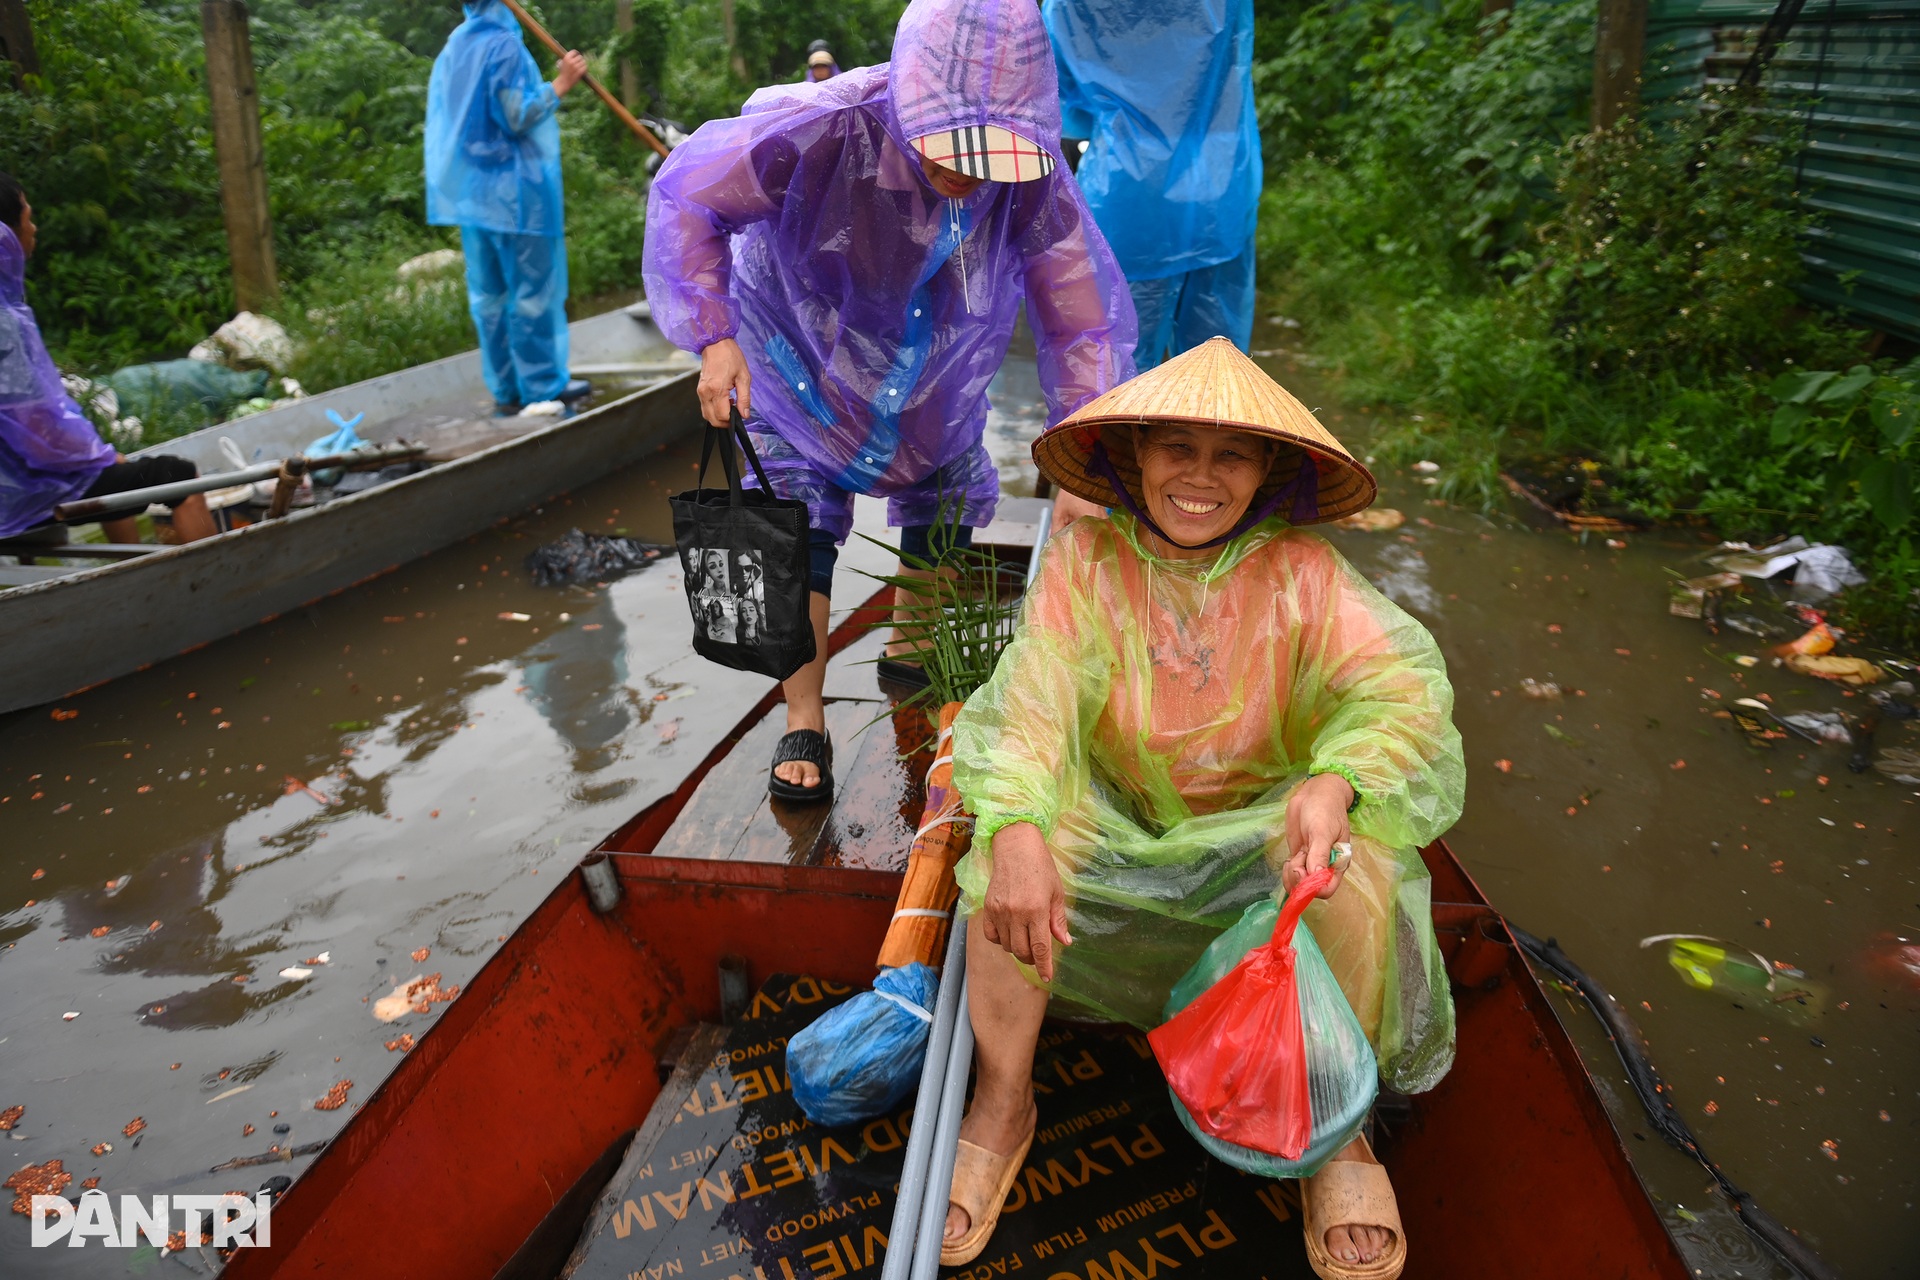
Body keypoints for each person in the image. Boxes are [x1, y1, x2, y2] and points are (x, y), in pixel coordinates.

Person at [941, 339, 1463, 1279]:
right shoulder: (1084, 562)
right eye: (1175, 447)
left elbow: (1399, 691)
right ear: (1134, 455)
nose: (1200, 477)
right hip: (1119, 814)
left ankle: (1337, 1135)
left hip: (1263, 824)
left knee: (1358, 867)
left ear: (1267, 472)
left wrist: (1331, 779)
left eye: (1231, 455)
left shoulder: (1305, 571)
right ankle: (1003, 1099)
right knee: (1004, 855)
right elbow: (1031, 709)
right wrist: (1017, 824)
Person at [645, 0, 1136, 804]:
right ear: (911, 97)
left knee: (940, 504)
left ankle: (909, 648)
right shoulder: (821, 127)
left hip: (934, 378)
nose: (967, 173)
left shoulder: (1034, 176)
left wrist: (1086, 449)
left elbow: (1081, 316)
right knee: (796, 528)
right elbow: (690, 200)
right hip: (796, 360)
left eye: (991, 156)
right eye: (950, 148)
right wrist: (713, 334)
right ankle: (804, 716)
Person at [0, 172, 215, 544]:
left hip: (15, 482)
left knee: (107, 471)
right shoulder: (5, 322)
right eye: (28, 218)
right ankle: (217, 591)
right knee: (178, 475)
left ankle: (128, 573)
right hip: (21, 494)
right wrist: (97, 455)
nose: (33, 229)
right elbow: (34, 424)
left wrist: (98, 455)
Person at [1046, 0, 1261, 370]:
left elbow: (1064, 101)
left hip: (1127, 192)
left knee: (1118, 374)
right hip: (1219, 181)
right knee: (1216, 373)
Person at [426, 1, 592, 417]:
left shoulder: (455, 47)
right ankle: (541, 387)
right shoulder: (503, 46)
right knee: (532, 294)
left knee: (491, 296)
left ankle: (507, 388)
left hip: (475, 193)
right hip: (518, 194)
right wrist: (563, 82)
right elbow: (517, 115)